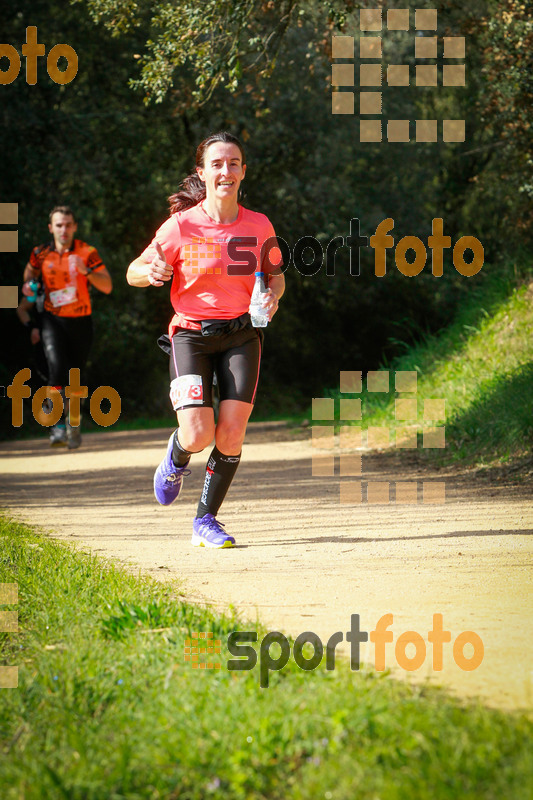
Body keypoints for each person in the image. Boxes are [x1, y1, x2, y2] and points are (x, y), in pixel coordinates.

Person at [127, 131, 285, 549]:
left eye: (233, 163)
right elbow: (133, 271)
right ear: (203, 173)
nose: (226, 171)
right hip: (191, 337)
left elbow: (276, 278)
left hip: (241, 335)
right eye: (217, 164)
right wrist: (152, 273)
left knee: (231, 434)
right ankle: (176, 457)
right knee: (198, 434)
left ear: (243, 172)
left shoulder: (259, 225)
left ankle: (205, 521)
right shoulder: (181, 226)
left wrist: (270, 299)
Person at [23, 206, 113, 448]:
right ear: (51, 228)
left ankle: (74, 421)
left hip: (81, 322)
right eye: (59, 225)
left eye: (68, 225)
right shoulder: (40, 253)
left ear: (74, 226)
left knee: (75, 376)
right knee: (56, 369)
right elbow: (28, 277)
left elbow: (107, 286)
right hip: (52, 320)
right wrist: (29, 287)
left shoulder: (87, 252)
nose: (64, 230)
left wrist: (87, 272)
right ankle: (57, 426)